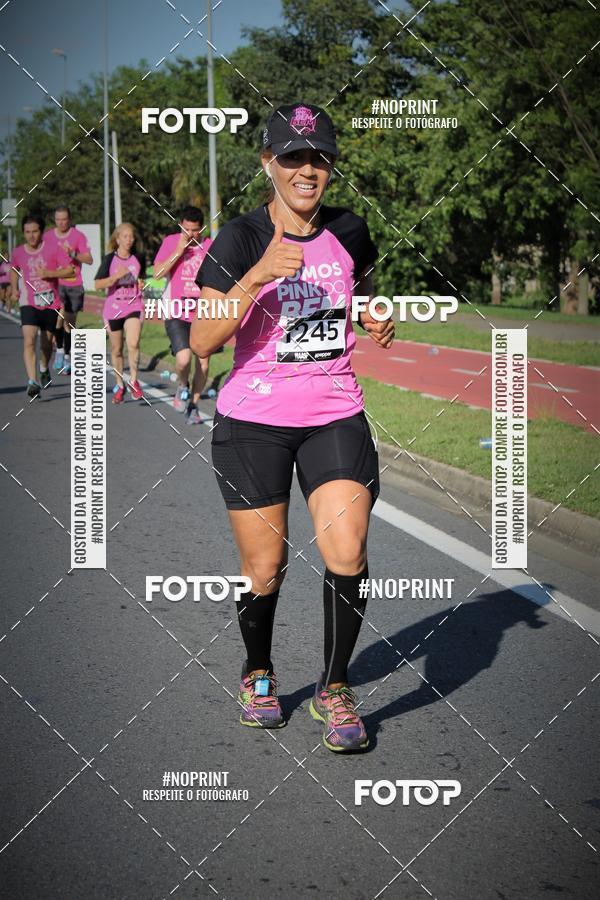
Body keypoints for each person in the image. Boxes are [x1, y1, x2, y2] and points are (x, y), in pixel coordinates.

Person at [192, 103, 394, 753]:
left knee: (347, 551)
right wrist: (254, 279)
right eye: (293, 157)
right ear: (268, 164)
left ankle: (335, 688)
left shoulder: (352, 230)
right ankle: (258, 673)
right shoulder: (240, 239)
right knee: (265, 566)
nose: (308, 169)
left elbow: (356, 291)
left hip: (333, 410)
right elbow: (202, 340)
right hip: (253, 420)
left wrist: (372, 317)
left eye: (319, 157)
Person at [153, 206, 213, 424]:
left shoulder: (209, 246)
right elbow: (158, 274)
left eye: (195, 230)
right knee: (183, 358)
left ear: (202, 229)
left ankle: (194, 406)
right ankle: (181, 385)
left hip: (204, 313)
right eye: (186, 229)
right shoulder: (171, 241)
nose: (190, 235)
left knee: (204, 364)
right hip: (176, 311)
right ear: (181, 226)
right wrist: (179, 250)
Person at [9, 215, 75, 398]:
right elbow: (14, 269)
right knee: (29, 339)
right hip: (28, 302)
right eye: (27, 232)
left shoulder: (53, 249)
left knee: (46, 345)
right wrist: (14, 288)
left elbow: (70, 270)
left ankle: (44, 367)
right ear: (23, 233)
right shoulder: (18, 252)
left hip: (49, 303)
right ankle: (32, 381)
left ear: (41, 232)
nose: (31, 236)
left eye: (35, 231)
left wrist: (49, 273)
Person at [94, 223, 145, 404]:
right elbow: (97, 285)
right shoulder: (109, 260)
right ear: (117, 239)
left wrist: (141, 284)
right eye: (125, 236)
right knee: (116, 350)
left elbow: (141, 278)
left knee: (133, 343)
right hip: (113, 308)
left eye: (131, 236)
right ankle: (119, 385)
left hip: (133, 305)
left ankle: (133, 380)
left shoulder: (139, 258)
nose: (129, 240)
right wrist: (116, 277)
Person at [44, 205, 93, 374]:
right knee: (58, 317)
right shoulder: (48, 237)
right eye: (58, 220)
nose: (61, 223)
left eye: (64, 219)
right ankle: (59, 350)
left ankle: (67, 355)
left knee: (69, 324)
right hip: (55, 284)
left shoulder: (78, 236)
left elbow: (89, 259)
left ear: (69, 219)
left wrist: (73, 254)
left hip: (73, 284)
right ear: (54, 220)